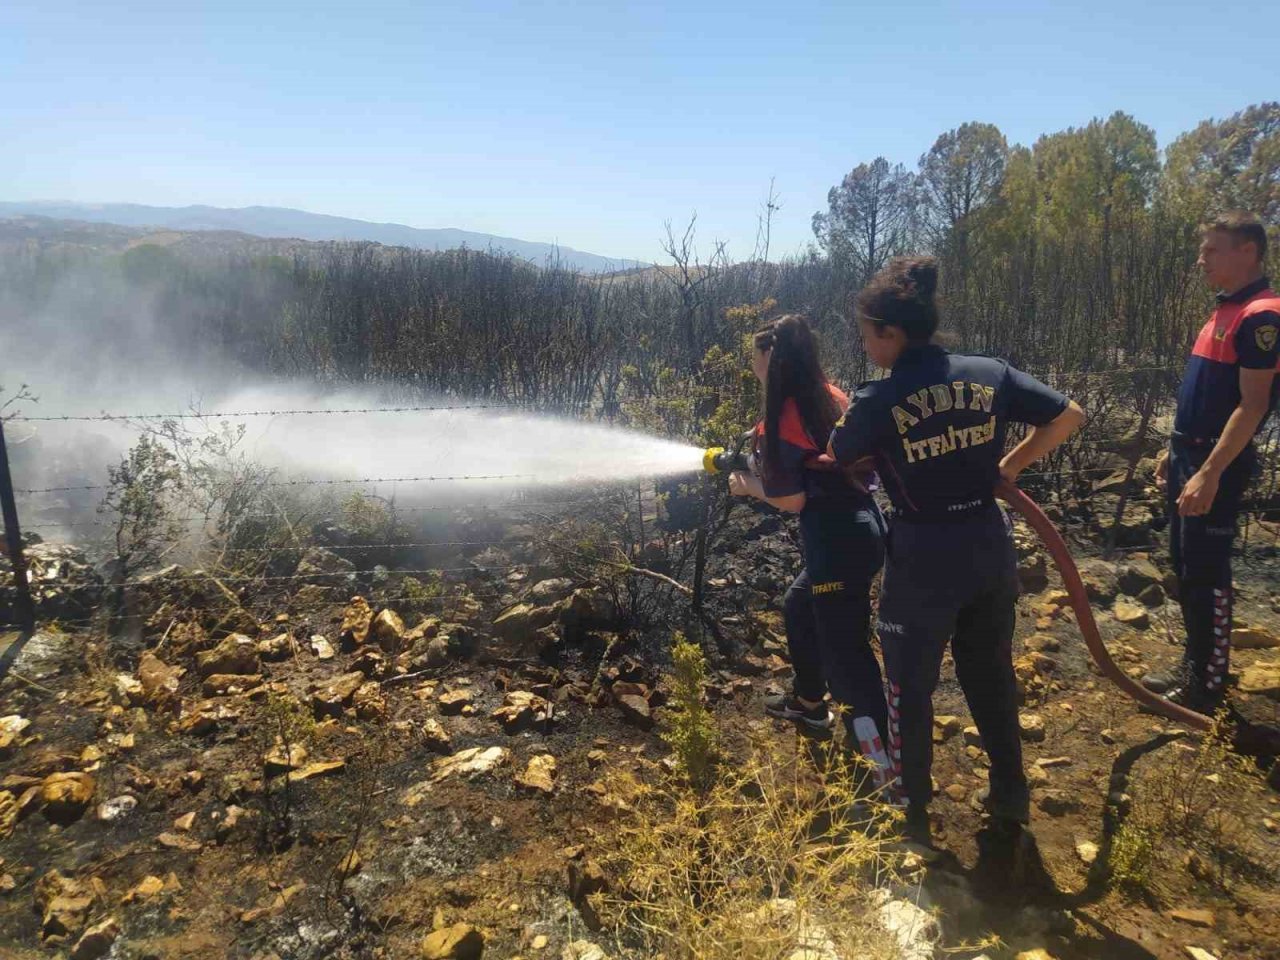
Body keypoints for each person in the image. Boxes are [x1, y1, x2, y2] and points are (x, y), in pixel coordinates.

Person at [828, 257, 1083, 843]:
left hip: (922, 562)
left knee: (906, 688)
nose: (865, 344)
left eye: (867, 334)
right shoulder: (986, 373)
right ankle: (1011, 793)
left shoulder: (877, 399)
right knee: (990, 675)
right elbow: (1070, 414)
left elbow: (840, 451)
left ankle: (912, 808)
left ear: (890, 333)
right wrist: (1007, 467)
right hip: (988, 549)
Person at [727, 314, 890, 783]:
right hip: (866, 527)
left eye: (757, 363)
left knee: (849, 659)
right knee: (799, 606)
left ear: (771, 363)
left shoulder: (779, 420)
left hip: (837, 541)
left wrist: (749, 488)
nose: (754, 370)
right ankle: (810, 703)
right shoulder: (832, 396)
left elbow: (790, 499)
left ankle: (880, 771)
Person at [1144, 212, 1280, 714]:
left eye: (1212, 249)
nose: (1201, 259)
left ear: (1247, 251)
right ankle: (1192, 665)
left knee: (1207, 570)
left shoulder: (1262, 315)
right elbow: (1206, 395)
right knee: (1185, 564)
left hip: (1215, 464)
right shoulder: (1226, 309)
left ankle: (1209, 682)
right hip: (1190, 453)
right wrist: (1174, 449)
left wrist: (1209, 471)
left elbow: (1252, 405)